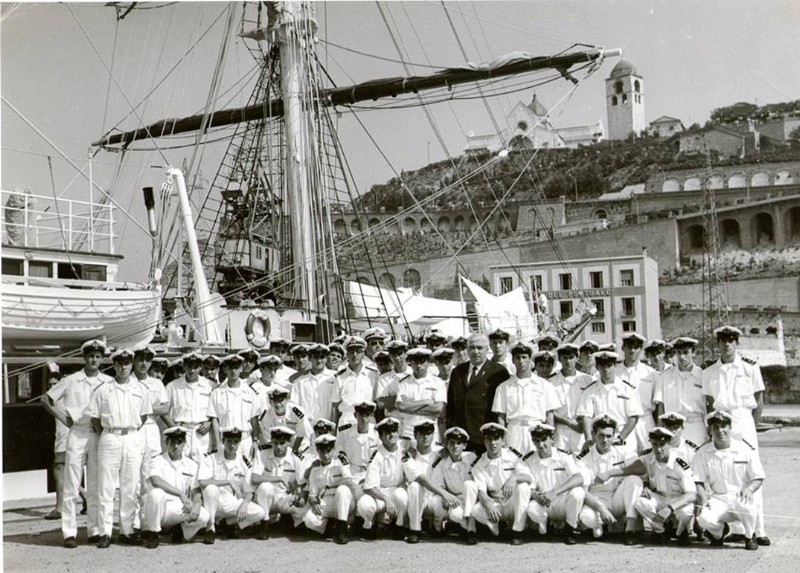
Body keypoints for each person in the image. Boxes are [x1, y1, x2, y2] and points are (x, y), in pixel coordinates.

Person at [701, 325, 769, 545]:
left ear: (737, 343)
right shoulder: (709, 371)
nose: (727, 344)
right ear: (718, 344)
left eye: (731, 340)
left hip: (742, 421)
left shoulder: (750, 367)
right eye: (723, 341)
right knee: (726, 473)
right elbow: (709, 403)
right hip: (721, 421)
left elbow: (759, 401)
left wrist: (753, 426)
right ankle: (736, 528)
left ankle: (758, 530)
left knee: (751, 475)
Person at [42, 339, 111, 548]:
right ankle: (69, 533)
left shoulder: (108, 381)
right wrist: (64, 419)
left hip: (98, 435)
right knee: (72, 485)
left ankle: (94, 531)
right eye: (90, 356)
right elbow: (46, 399)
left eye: (98, 356)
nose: (94, 360)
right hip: (77, 434)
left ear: (102, 359)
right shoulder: (71, 380)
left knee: (96, 485)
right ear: (84, 358)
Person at [86, 347, 153, 547]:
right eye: (119, 363)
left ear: (131, 364)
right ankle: (104, 532)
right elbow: (95, 419)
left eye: (127, 363)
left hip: (132, 436)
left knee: (130, 486)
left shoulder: (141, 389)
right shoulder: (103, 390)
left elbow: (143, 417)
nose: (124, 367)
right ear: (114, 365)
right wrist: (111, 432)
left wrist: (127, 430)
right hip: (110, 437)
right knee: (106, 487)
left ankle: (127, 530)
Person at [599, 427, 696, 545]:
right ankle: (661, 531)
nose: (658, 449)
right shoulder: (648, 458)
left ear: (669, 444)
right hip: (660, 497)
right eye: (655, 444)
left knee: (686, 513)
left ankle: (681, 532)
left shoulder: (679, 463)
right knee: (641, 503)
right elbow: (630, 469)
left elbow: (691, 494)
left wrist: (670, 508)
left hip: (678, 499)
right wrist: (609, 474)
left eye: (662, 444)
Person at [692, 411, 765, 551]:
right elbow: (698, 481)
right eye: (715, 427)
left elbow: (758, 477)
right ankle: (718, 534)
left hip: (740, 496)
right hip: (718, 498)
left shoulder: (745, 449)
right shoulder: (702, 453)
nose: (720, 431)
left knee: (747, 506)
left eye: (724, 426)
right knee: (703, 519)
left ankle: (750, 536)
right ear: (710, 430)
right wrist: (703, 498)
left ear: (730, 427)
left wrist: (749, 489)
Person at [576, 414, 643, 545]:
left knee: (634, 479)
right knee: (587, 517)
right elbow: (583, 491)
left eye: (609, 436)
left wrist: (610, 473)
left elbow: (641, 468)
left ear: (614, 436)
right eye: (601, 435)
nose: (605, 440)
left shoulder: (621, 450)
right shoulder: (584, 457)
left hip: (617, 497)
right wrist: (602, 510)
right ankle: (599, 526)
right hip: (597, 500)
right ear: (593, 435)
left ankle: (629, 530)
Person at [140, 427, 211, 549]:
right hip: (158, 509)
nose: (176, 446)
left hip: (179, 507)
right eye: (172, 442)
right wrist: (181, 494)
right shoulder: (157, 460)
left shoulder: (191, 464)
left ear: (184, 443)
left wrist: (197, 505)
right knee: (156, 494)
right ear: (166, 442)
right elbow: (156, 481)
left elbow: (196, 491)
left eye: (179, 442)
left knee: (204, 515)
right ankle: (153, 533)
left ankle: (181, 532)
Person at [461, 422, 529, 545]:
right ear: (484, 441)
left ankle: (517, 531)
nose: (493, 443)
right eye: (489, 439)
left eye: (496, 438)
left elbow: (528, 478)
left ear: (503, 441)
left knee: (523, 487)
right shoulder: (479, 463)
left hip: (511, 503)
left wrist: (514, 478)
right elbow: (481, 492)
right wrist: (488, 505)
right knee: (476, 510)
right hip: (495, 502)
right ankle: (491, 526)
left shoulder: (513, 456)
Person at [517, 424, 585, 544]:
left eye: (544, 440)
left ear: (551, 439)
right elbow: (529, 486)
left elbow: (579, 478)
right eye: (537, 441)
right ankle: (546, 526)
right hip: (544, 502)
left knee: (578, 493)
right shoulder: (528, 460)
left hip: (563, 500)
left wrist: (555, 491)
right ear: (533, 441)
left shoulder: (563, 455)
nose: (541, 445)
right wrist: (536, 496)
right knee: (532, 508)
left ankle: (570, 530)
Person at [446, 333, 510, 454]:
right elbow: (451, 406)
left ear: (487, 349)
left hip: (486, 436)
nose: (475, 352)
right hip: (460, 438)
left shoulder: (498, 372)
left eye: (479, 348)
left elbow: (503, 408)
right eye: (472, 348)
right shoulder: (458, 371)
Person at [198, 429, 265, 543]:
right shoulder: (211, 457)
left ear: (240, 442)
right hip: (213, 502)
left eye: (236, 441)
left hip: (231, 501)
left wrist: (244, 504)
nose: (232, 445)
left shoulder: (243, 462)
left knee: (259, 512)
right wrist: (228, 481)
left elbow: (250, 490)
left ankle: (229, 523)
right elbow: (203, 482)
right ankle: (210, 528)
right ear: (223, 441)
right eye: (229, 441)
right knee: (211, 489)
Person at [492, 344, 560, 455]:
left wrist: (549, 437)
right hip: (514, 431)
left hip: (537, 431)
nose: (521, 361)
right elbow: (501, 416)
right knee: (512, 465)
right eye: (517, 358)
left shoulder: (545, 385)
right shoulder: (503, 387)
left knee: (536, 466)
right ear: (513, 360)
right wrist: (502, 438)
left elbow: (549, 415)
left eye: (524, 357)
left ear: (530, 359)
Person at [576, 351, 642, 456]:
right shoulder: (590, 391)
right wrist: (589, 438)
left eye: (609, 365)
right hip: (601, 440)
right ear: (597, 367)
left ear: (615, 366)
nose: (606, 369)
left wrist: (620, 438)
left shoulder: (627, 389)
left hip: (624, 441)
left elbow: (634, 417)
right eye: (602, 366)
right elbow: (586, 416)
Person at [252, 426, 308, 540]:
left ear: (289, 442)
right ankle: (265, 525)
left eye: (282, 443)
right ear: (272, 441)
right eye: (275, 442)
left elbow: (302, 482)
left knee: (306, 514)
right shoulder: (263, 453)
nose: (278, 447)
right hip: (267, 500)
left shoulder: (296, 457)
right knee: (265, 487)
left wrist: (301, 497)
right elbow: (254, 478)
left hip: (284, 498)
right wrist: (278, 479)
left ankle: (287, 520)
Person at [357, 417, 408, 539]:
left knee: (402, 496)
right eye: (387, 432)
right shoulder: (376, 455)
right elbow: (368, 487)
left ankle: (399, 526)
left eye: (394, 431)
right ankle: (368, 526)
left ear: (398, 433)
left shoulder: (404, 451)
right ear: (380, 436)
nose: (392, 435)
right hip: (379, 494)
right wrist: (386, 499)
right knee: (365, 504)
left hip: (396, 491)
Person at [653, 337, 707, 445]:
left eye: (686, 352)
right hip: (672, 427)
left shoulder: (703, 376)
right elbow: (661, 408)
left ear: (693, 353)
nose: (682, 357)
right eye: (678, 353)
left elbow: (709, 406)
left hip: (696, 427)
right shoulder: (664, 377)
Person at [303, 433, 356, 545]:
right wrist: (314, 504)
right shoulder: (315, 469)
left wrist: (330, 486)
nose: (326, 455)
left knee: (342, 489)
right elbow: (312, 495)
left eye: (329, 450)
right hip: (326, 502)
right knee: (309, 520)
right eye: (322, 451)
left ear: (334, 449)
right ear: (317, 450)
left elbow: (349, 481)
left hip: (342, 502)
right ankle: (332, 529)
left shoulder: (340, 461)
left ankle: (342, 530)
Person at [427, 427, 478, 540]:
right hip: (455, 498)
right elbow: (438, 484)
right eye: (452, 443)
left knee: (469, 485)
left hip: (472, 499)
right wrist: (444, 495)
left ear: (464, 446)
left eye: (459, 443)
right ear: (447, 445)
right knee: (455, 515)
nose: (455, 446)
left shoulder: (472, 458)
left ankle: (471, 530)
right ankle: (469, 528)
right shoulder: (442, 462)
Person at [163, 351, 215, 460]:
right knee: (180, 466)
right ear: (184, 366)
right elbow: (164, 411)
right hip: (181, 432)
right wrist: (174, 428)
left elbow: (216, 409)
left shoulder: (210, 385)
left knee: (202, 467)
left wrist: (209, 422)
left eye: (196, 367)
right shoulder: (173, 386)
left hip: (202, 433)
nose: (192, 370)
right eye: (189, 366)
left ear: (201, 367)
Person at [208, 355, 261, 457]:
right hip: (225, 440)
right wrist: (217, 443)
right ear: (225, 369)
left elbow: (254, 419)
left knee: (245, 471)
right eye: (230, 368)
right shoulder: (217, 393)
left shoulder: (249, 392)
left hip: (245, 440)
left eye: (236, 368)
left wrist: (255, 441)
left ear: (241, 368)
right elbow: (214, 420)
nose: (233, 371)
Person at [403, 420, 443, 543]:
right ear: (415, 435)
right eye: (421, 434)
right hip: (416, 498)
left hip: (433, 497)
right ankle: (415, 529)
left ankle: (437, 526)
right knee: (415, 486)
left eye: (429, 433)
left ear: (433, 435)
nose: (425, 437)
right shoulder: (408, 454)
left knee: (442, 501)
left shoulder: (440, 452)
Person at [616, 333, 656, 454]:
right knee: (626, 459)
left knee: (649, 459)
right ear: (623, 348)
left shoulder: (651, 373)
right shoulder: (615, 372)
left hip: (645, 422)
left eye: (636, 347)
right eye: (629, 347)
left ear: (641, 349)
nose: (632, 350)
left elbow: (658, 404)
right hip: (623, 423)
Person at [395, 348, 447, 443]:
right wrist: (426, 402)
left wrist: (410, 406)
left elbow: (438, 409)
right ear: (410, 362)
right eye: (415, 362)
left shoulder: (438, 382)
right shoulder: (404, 383)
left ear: (428, 362)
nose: (419, 366)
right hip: (409, 430)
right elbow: (401, 406)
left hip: (430, 430)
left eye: (422, 362)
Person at [550, 343, 593, 454]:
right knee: (561, 466)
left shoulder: (587, 379)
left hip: (582, 430)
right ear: (559, 359)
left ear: (577, 358)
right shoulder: (551, 382)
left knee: (583, 464)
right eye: (565, 358)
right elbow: (549, 410)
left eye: (571, 357)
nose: (568, 361)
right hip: (561, 431)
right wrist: (569, 423)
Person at [336, 401, 380, 498]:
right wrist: (347, 476)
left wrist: (370, 477)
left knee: (365, 506)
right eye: (361, 415)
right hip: (352, 473)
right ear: (355, 415)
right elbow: (340, 455)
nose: (364, 418)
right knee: (342, 493)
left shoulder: (378, 432)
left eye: (367, 415)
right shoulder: (345, 432)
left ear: (371, 416)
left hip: (371, 474)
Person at [333, 336, 379, 424]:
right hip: (347, 421)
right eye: (351, 351)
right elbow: (335, 406)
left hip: (368, 420)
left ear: (364, 354)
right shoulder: (339, 377)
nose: (355, 354)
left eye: (358, 351)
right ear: (346, 355)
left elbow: (378, 402)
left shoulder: (373, 374)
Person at [290, 344, 338, 422]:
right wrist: (303, 419)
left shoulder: (335, 378)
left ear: (326, 359)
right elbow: (293, 406)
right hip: (307, 426)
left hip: (329, 425)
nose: (319, 361)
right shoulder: (300, 382)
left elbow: (337, 405)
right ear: (310, 358)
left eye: (322, 357)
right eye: (316, 357)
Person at [260, 387, 312, 454]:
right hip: (281, 450)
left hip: (301, 448)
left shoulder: (297, 412)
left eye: (280, 400)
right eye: (274, 401)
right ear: (270, 402)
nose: (277, 404)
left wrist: (294, 451)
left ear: (286, 400)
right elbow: (268, 439)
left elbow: (302, 433)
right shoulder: (267, 416)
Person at [375, 339, 411, 421]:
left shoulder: (414, 374)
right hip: (393, 421)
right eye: (393, 355)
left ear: (405, 354)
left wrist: (391, 401)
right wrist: (408, 398)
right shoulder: (384, 378)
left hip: (411, 420)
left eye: (400, 353)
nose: (397, 358)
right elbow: (381, 403)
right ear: (390, 356)